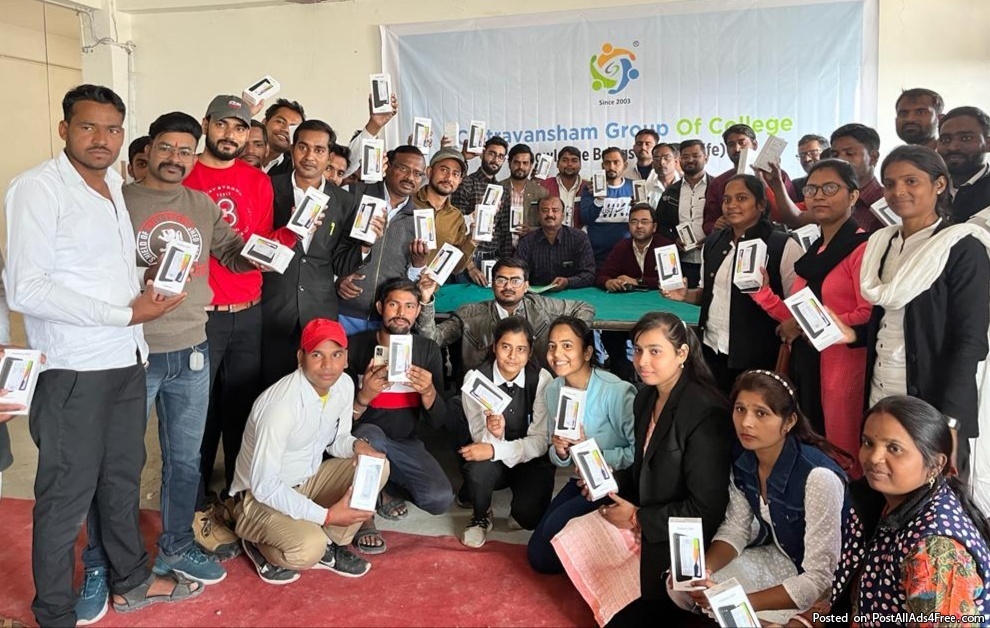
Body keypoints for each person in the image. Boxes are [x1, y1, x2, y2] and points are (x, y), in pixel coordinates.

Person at [4, 84, 200, 626]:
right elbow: (26, 288)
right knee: (65, 497)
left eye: (112, 129)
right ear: (64, 129)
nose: (102, 139)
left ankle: (132, 581)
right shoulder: (38, 189)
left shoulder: (113, 183)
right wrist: (124, 314)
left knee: (121, 480)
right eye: (88, 127)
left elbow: (100, 271)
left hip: (125, 360)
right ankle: (54, 612)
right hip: (74, 370)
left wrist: (149, 278)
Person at [79, 111, 258, 598]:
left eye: (184, 151)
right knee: (117, 463)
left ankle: (176, 545)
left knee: (185, 461)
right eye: (166, 148)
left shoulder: (201, 204)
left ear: (193, 156)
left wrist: (267, 252)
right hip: (131, 351)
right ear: (149, 150)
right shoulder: (118, 200)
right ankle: (100, 561)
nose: (175, 158)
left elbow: (231, 254)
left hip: (192, 348)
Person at [837, 145, 990, 489]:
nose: (898, 192)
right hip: (882, 388)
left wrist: (950, 422)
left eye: (911, 181)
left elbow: (970, 342)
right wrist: (853, 334)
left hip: (934, 402)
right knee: (884, 488)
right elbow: (891, 320)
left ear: (939, 184)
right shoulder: (882, 244)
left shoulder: (961, 247)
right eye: (890, 184)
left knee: (932, 498)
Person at [675, 370, 855, 627]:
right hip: (785, 556)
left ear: (789, 421)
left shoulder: (818, 477)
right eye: (740, 409)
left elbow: (819, 579)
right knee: (685, 585)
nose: (746, 423)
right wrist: (704, 571)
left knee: (736, 612)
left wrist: (739, 600)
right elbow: (736, 528)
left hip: (829, 584)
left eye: (761, 413)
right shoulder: (743, 456)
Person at [594, 312, 732, 625]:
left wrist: (637, 517)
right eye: (638, 350)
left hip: (685, 538)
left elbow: (707, 510)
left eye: (655, 351)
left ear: (682, 354)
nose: (642, 361)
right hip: (652, 516)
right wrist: (607, 482)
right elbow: (645, 468)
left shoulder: (706, 412)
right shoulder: (645, 397)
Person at [230, 318, 389, 584]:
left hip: (306, 482)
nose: (328, 366)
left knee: (375, 466)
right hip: (259, 498)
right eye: (317, 355)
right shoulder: (280, 407)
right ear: (300, 358)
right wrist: (326, 515)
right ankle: (257, 541)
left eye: (336, 354)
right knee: (307, 549)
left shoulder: (344, 384)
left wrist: (357, 446)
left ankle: (331, 541)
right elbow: (264, 486)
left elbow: (337, 441)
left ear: (346, 358)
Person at [750, 159, 872, 473]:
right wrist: (761, 292)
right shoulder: (815, 250)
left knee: (842, 454)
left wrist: (805, 325)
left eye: (830, 188)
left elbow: (867, 315)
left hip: (842, 367)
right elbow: (795, 314)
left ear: (853, 195)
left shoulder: (863, 248)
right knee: (811, 446)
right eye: (812, 189)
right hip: (806, 363)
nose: (819, 196)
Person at [837, 396, 990, 625]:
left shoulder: (935, 551)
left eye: (894, 448)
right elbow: (850, 584)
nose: (874, 458)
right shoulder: (874, 500)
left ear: (936, 464)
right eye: (868, 443)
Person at [664, 174, 802, 392]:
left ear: (761, 204)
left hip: (760, 358)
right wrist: (685, 295)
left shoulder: (783, 246)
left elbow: (798, 312)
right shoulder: (713, 242)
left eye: (741, 198)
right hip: (711, 350)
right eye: (727, 199)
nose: (732, 205)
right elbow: (708, 294)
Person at [261, 119, 368, 387]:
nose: (309, 156)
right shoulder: (266, 187)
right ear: (292, 149)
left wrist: (366, 245)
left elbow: (341, 264)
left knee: (316, 388)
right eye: (303, 147)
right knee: (267, 384)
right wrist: (288, 231)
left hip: (319, 309)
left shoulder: (345, 201)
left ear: (329, 156)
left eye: (319, 150)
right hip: (271, 307)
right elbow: (254, 244)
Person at [527, 316, 635, 574]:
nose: (557, 354)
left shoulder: (617, 391)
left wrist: (594, 454)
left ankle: (619, 545)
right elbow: (558, 456)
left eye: (567, 346)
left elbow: (638, 453)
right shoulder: (554, 390)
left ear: (587, 352)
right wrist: (561, 450)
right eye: (552, 346)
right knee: (539, 556)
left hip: (616, 481)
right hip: (580, 480)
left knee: (554, 533)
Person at [347, 279, 452, 541]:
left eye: (409, 306)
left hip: (404, 442)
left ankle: (382, 488)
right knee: (371, 435)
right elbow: (337, 422)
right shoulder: (355, 346)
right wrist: (363, 397)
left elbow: (439, 421)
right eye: (394, 305)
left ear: (418, 311)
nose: (401, 313)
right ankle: (364, 516)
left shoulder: (427, 349)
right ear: (380, 307)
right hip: (363, 438)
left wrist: (428, 392)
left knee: (439, 499)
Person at [458, 316, 555, 548]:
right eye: (505, 347)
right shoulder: (476, 379)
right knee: (478, 469)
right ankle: (481, 515)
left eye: (521, 349)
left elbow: (540, 441)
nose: (512, 356)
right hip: (492, 457)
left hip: (529, 457)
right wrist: (494, 433)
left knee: (526, 519)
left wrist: (495, 449)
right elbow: (478, 438)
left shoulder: (542, 380)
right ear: (494, 347)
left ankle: (519, 504)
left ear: (530, 352)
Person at [417, 257, 595, 372]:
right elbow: (431, 340)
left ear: (526, 286)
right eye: (501, 280)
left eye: (515, 280)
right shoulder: (469, 314)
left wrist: (565, 337)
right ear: (492, 284)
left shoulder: (542, 306)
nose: (508, 286)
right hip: (482, 391)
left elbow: (584, 308)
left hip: (536, 389)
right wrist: (425, 300)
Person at [597, 203, 672, 381]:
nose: (639, 226)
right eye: (634, 222)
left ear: (654, 226)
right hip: (626, 309)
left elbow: (670, 281)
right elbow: (602, 275)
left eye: (644, 222)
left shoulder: (666, 246)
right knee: (610, 334)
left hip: (659, 310)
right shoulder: (622, 246)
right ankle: (622, 374)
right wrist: (608, 282)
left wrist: (638, 282)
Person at [657, 139, 712, 288]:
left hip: (712, 259)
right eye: (685, 156)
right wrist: (674, 239)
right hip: (682, 262)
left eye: (695, 155)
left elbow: (726, 222)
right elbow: (660, 225)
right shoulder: (670, 192)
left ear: (706, 158)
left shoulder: (718, 187)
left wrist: (712, 239)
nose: (690, 160)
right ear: (679, 160)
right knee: (683, 300)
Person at [514, 196, 596, 290]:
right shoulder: (527, 241)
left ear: (563, 215)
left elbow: (589, 275)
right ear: (538, 215)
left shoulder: (579, 238)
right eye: (545, 210)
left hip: (571, 293)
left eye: (555, 210)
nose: (550, 214)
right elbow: (516, 272)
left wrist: (568, 282)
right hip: (535, 295)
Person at [581, 147, 634, 266]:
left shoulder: (634, 187)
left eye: (616, 162)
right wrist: (599, 199)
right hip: (596, 256)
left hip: (628, 255)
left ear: (625, 165)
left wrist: (638, 207)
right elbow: (585, 218)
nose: (611, 166)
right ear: (602, 165)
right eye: (607, 163)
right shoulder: (591, 187)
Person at [937, 106, 990, 223]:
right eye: (945, 140)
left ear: (988, 144)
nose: (952, 147)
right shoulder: (929, 188)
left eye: (966, 138)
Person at [261, 98, 306, 177]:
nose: (286, 129)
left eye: (292, 128)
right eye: (280, 122)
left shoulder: (294, 173)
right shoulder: (242, 151)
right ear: (265, 123)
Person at [790, 134, 829, 202]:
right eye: (802, 155)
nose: (807, 159)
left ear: (826, 154)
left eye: (813, 153)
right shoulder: (796, 186)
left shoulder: (841, 181)